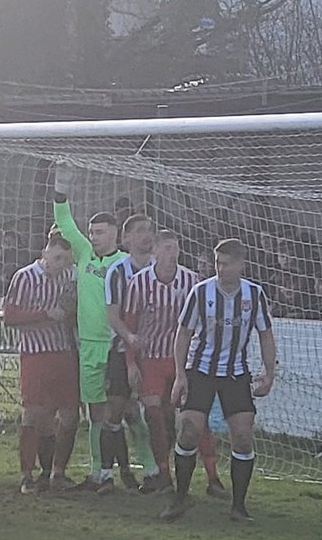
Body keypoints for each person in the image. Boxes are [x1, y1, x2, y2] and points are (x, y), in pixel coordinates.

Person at [162, 237, 276, 523]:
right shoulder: (200, 292)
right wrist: (180, 374)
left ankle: (238, 507)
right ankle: (179, 499)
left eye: (226, 263)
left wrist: (269, 372)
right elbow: (183, 333)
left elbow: (265, 333)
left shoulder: (254, 294)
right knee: (189, 430)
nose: (220, 268)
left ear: (240, 264)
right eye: (217, 263)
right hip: (200, 370)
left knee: (243, 438)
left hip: (236, 373)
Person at [123, 231, 224, 496]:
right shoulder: (139, 283)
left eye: (175, 248)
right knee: (155, 415)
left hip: (183, 360)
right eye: (167, 248)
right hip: (152, 359)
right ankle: (164, 476)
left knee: (196, 418)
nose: (172, 254)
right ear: (155, 251)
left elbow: (203, 321)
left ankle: (213, 478)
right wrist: (131, 363)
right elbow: (130, 327)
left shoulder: (191, 281)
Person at [51, 165, 127, 489]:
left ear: (114, 234)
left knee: (125, 412)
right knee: (95, 413)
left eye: (100, 232)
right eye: (92, 232)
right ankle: (101, 473)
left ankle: (151, 470)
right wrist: (61, 187)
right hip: (88, 345)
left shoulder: (124, 263)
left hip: (116, 346)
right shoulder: (83, 256)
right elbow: (64, 222)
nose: (94, 237)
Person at [2, 229, 78, 493]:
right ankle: (27, 476)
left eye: (66, 261)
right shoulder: (24, 277)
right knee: (34, 413)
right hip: (35, 353)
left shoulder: (71, 276)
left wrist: (71, 313)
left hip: (64, 351)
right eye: (57, 258)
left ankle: (56, 473)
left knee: (69, 415)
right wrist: (45, 313)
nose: (62, 265)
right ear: (45, 253)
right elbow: (9, 316)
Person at [102, 214, 161, 491]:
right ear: (126, 239)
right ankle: (111, 472)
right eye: (139, 231)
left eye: (149, 230)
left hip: (155, 353)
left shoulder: (160, 268)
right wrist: (129, 337)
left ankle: (155, 471)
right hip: (122, 349)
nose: (146, 236)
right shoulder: (118, 271)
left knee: (150, 412)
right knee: (116, 410)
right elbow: (112, 315)